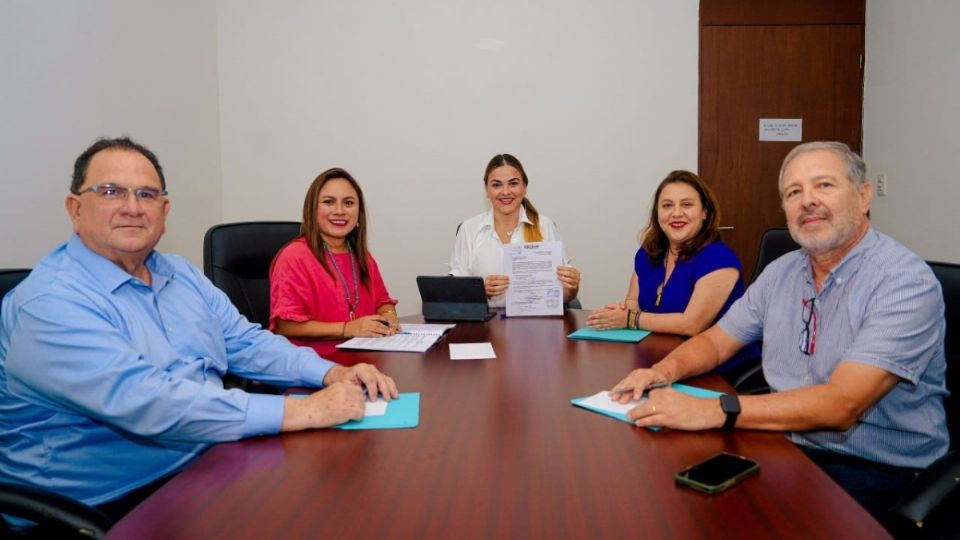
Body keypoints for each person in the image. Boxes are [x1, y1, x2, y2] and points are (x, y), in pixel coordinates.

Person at [0, 137, 398, 523]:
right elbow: (150, 403)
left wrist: (331, 372)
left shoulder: (180, 275)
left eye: (147, 195)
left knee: (349, 503)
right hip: (103, 504)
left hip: (206, 460)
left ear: (165, 209)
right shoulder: (49, 304)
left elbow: (246, 342)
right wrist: (304, 409)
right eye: (110, 192)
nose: (132, 208)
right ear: (75, 208)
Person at [609, 141, 948, 524]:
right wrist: (662, 372)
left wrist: (714, 409)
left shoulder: (904, 281)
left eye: (824, 185)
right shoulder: (781, 272)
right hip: (785, 443)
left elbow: (842, 405)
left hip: (878, 468)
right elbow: (717, 340)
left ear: (864, 195)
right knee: (672, 506)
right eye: (794, 192)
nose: (807, 201)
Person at [585, 170, 759, 374]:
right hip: (662, 358)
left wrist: (631, 319)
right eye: (667, 205)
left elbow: (692, 324)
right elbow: (634, 302)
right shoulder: (648, 253)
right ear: (657, 214)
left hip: (719, 370)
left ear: (704, 212)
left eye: (686, 204)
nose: (676, 213)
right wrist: (619, 312)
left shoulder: (719, 258)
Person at [269, 168, 399, 356]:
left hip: (363, 358)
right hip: (311, 362)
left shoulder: (363, 256)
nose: (340, 211)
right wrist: (348, 328)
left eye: (348, 203)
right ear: (312, 209)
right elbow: (286, 325)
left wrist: (389, 316)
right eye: (329, 202)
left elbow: (383, 302)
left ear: (358, 213)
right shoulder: (294, 256)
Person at [449, 154, 580, 308]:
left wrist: (571, 289)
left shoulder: (545, 226)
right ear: (486, 190)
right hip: (486, 325)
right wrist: (481, 292)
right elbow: (455, 295)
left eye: (513, 183)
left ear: (524, 187)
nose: (505, 192)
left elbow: (561, 297)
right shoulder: (469, 229)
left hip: (536, 325)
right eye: (496, 185)